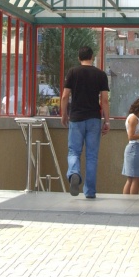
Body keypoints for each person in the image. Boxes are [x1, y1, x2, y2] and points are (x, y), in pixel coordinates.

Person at [60, 46, 111, 199]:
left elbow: (65, 96)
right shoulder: (100, 74)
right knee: (92, 156)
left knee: (74, 151)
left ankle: (74, 173)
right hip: (94, 119)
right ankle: (89, 192)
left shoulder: (72, 72)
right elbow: (104, 100)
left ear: (79, 58)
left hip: (76, 118)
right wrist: (107, 121)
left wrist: (64, 114)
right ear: (92, 57)